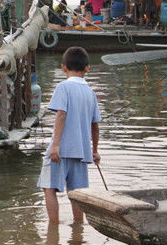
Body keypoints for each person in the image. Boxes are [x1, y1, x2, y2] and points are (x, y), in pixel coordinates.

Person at [37, 47, 101, 224]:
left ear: (63, 67)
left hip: (61, 149)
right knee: (77, 193)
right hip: (81, 151)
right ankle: (78, 232)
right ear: (87, 68)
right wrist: (95, 151)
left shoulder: (63, 87)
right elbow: (95, 125)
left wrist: (55, 145)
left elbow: (61, 114)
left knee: (49, 187)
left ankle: (53, 230)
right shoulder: (90, 92)